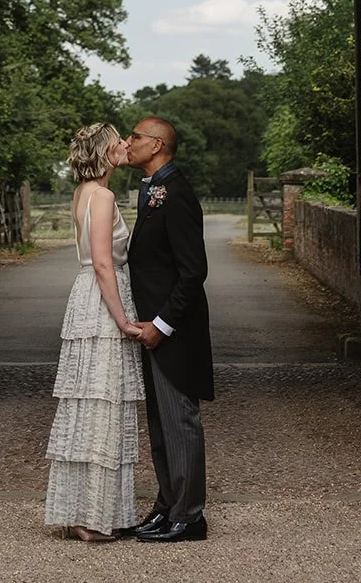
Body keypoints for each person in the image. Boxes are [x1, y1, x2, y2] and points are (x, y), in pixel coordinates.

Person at [44, 122, 145, 543]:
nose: (125, 145)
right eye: (119, 141)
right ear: (105, 153)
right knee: (103, 403)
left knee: (92, 403)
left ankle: (87, 511)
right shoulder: (101, 196)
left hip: (86, 295)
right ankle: (92, 516)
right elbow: (104, 263)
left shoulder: (82, 193)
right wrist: (122, 319)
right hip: (103, 299)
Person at [125, 116, 214, 543]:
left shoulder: (176, 192)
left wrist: (162, 325)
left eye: (136, 136)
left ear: (157, 144)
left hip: (173, 328)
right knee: (161, 421)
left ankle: (190, 515)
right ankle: (167, 505)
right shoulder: (153, 189)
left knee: (180, 418)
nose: (129, 142)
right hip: (151, 325)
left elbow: (193, 270)